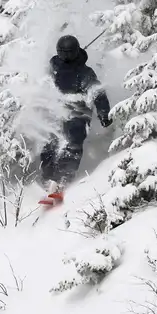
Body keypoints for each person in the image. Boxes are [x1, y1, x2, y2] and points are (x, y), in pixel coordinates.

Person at [40, 35, 112, 195]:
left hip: (78, 112)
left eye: (69, 53)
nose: (66, 57)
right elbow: (42, 86)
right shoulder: (53, 68)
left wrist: (103, 113)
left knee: (73, 139)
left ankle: (63, 178)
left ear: (75, 53)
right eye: (63, 53)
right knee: (50, 143)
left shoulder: (84, 72)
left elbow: (97, 92)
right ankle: (48, 179)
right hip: (57, 110)